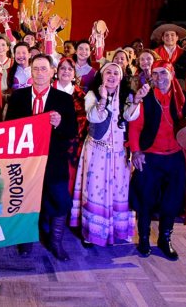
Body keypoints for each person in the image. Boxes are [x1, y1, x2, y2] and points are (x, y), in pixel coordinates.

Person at [128, 60, 186, 260]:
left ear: (171, 74)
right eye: (155, 74)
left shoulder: (185, 98)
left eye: (163, 73)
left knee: (171, 201)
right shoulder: (145, 99)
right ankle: (143, 239)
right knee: (145, 200)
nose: (159, 77)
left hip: (176, 157)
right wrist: (136, 152)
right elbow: (135, 127)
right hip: (150, 157)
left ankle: (165, 239)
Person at [6, 54, 78, 260]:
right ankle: (25, 239)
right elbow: (8, 128)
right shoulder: (18, 96)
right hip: (26, 162)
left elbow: (72, 131)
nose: (39, 73)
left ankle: (55, 242)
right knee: (25, 200)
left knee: (60, 200)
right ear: (31, 71)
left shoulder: (64, 99)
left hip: (54, 161)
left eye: (44, 69)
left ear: (52, 72)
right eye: (36, 69)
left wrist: (59, 124)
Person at [70, 62, 146, 247]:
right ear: (102, 76)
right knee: (94, 191)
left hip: (119, 153)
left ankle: (118, 230)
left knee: (119, 190)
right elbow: (94, 117)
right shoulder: (92, 95)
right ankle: (92, 232)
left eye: (115, 73)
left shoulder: (127, 95)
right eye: (108, 73)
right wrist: (103, 99)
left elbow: (129, 116)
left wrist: (136, 101)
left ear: (120, 77)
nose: (112, 76)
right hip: (97, 150)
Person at [53, 57, 87, 194]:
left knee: (68, 181)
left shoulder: (80, 95)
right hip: (49, 142)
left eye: (69, 69)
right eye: (62, 68)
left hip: (71, 144)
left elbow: (83, 121)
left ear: (74, 73)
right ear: (57, 71)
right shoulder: (48, 90)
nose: (66, 71)